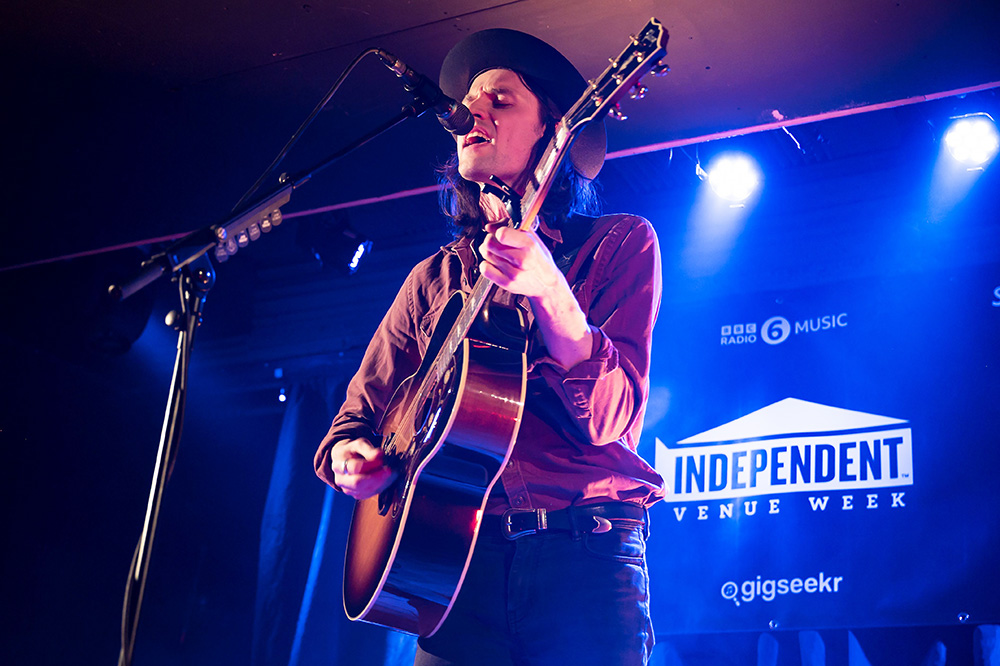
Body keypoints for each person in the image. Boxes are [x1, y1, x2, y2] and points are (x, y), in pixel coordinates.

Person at [315, 28, 664, 666]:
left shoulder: (619, 243)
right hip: (451, 562)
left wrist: (550, 290)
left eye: (500, 100)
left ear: (553, 133)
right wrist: (351, 456)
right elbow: (354, 419)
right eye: (469, 101)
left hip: (580, 550)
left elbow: (613, 419)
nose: (471, 112)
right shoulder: (433, 278)